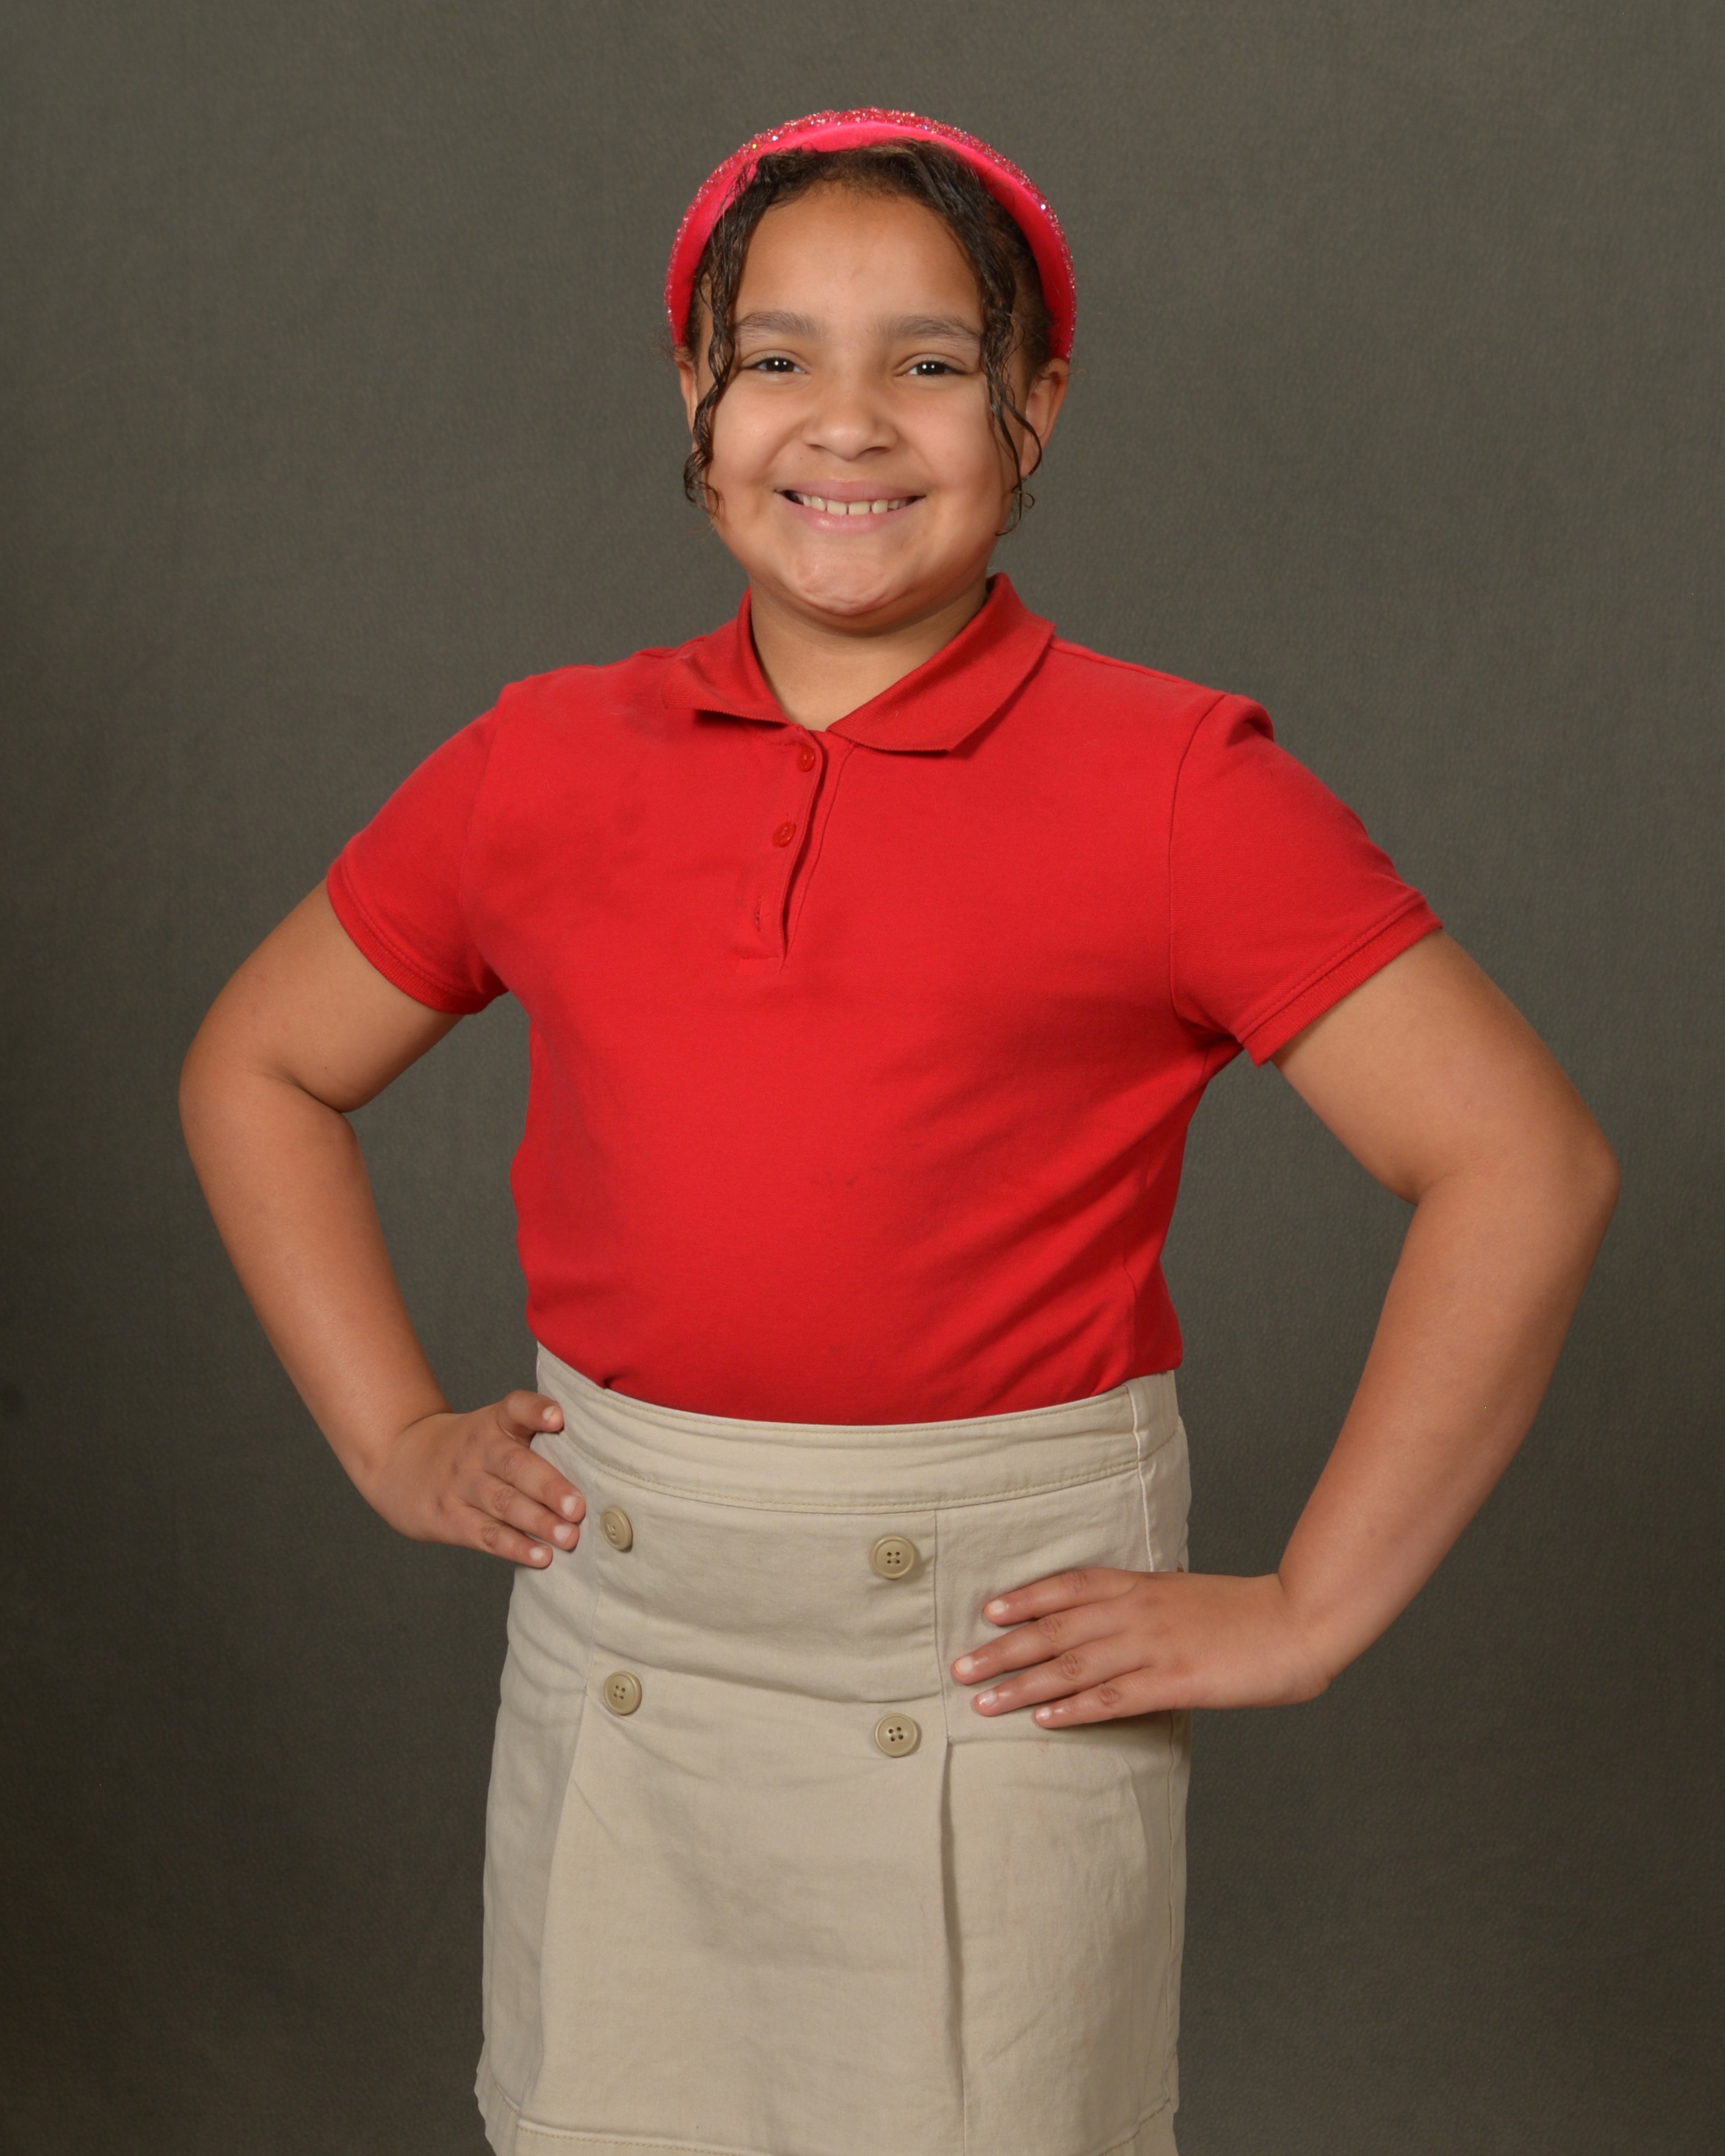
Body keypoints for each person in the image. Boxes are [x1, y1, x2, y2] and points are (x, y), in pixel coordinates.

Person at [179, 109, 1618, 2156]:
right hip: (626, 1640)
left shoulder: (1176, 783)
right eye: (775, 356)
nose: (845, 420)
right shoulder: (541, 759)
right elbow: (259, 1065)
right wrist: (391, 1436)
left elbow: (1521, 1164)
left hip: (984, 1668)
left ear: (1037, 405)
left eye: (929, 362)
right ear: (694, 395)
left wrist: (1306, 1609)